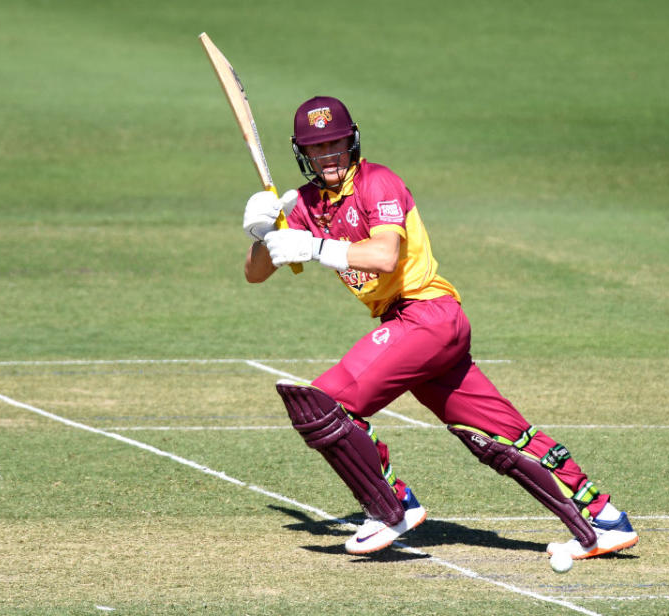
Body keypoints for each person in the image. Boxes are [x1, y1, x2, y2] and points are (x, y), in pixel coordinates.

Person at [242, 95, 638, 558]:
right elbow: (255, 273)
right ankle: (602, 518)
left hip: (427, 315)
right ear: (302, 153)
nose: (328, 156)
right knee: (499, 436)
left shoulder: (378, 182)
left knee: (325, 405)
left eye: (335, 144)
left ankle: (391, 507)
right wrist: (262, 234)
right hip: (414, 328)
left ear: (352, 142)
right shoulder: (306, 203)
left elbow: (384, 254)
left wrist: (313, 247)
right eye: (317, 148)